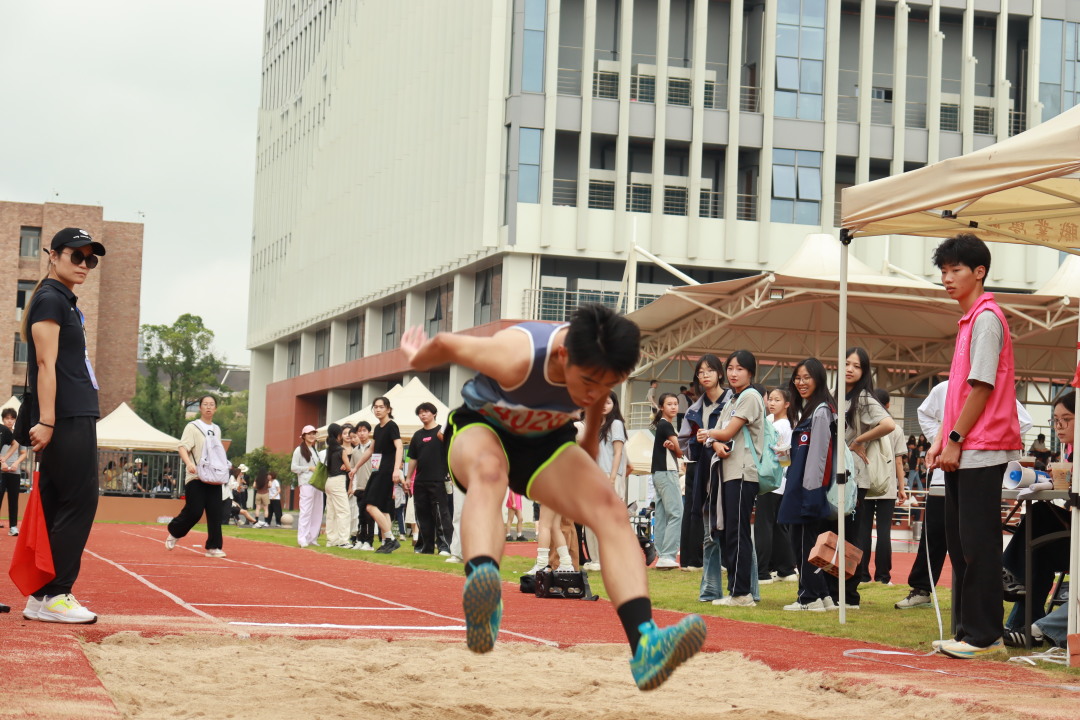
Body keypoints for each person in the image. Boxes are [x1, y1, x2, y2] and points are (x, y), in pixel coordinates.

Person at [400, 304, 705, 691]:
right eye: (588, 381)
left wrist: (589, 466)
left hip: (545, 443)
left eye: (607, 384)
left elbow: (592, 419)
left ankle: (646, 645)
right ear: (562, 355)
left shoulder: (597, 365)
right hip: (483, 428)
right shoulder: (516, 355)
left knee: (610, 510)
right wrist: (416, 357)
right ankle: (483, 588)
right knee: (490, 473)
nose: (594, 392)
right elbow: (445, 343)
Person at [926, 233, 1022, 659]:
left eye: (956, 270)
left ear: (979, 272)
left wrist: (954, 439)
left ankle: (985, 636)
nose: (947, 278)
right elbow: (959, 394)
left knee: (978, 544)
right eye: (943, 271)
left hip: (982, 448)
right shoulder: (968, 321)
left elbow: (982, 387)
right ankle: (968, 632)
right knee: (961, 544)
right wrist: (940, 440)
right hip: (965, 448)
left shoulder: (986, 318)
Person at [16, 228, 106, 623]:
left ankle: (40, 596)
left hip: (70, 412)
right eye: (76, 255)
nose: (84, 264)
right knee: (80, 501)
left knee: (56, 503)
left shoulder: (62, 301)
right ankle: (57, 594)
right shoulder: (51, 299)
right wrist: (48, 421)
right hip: (66, 416)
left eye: (91, 259)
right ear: (53, 256)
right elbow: (44, 364)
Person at [893, 380, 1032, 611]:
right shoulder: (944, 388)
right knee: (933, 535)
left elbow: (1024, 421)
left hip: (978, 472)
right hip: (944, 472)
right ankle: (921, 588)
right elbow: (925, 414)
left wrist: (988, 444)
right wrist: (943, 442)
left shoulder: (995, 388)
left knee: (976, 539)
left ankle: (982, 592)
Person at [700, 350, 765, 607]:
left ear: (751, 372)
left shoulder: (750, 396)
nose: (733, 373)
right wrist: (713, 439)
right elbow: (720, 435)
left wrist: (709, 434)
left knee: (738, 532)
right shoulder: (733, 399)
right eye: (730, 368)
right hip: (729, 472)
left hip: (743, 472)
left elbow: (726, 432)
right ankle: (737, 591)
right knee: (730, 532)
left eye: (739, 369)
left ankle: (742, 593)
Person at [833, 346, 895, 608]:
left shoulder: (864, 398)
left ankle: (850, 595)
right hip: (835, 474)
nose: (849, 369)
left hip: (855, 476)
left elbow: (888, 424)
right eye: (846, 363)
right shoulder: (836, 395)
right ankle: (834, 590)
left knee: (852, 536)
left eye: (856, 366)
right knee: (835, 533)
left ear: (864, 371)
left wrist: (858, 440)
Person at [778, 358, 838, 612]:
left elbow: (820, 455)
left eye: (806, 377)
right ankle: (822, 595)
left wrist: (811, 492)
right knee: (809, 542)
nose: (801, 383)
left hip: (808, 488)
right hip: (804, 485)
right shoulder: (813, 410)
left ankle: (808, 598)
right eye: (797, 378)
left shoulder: (821, 411)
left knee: (803, 543)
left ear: (818, 379)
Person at [677, 354, 731, 599]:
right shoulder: (694, 409)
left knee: (735, 532)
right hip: (704, 474)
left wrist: (712, 437)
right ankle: (710, 590)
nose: (705, 375)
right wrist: (698, 442)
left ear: (720, 373)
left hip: (729, 471)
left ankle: (745, 589)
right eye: (700, 372)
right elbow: (685, 446)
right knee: (709, 531)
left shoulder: (733, 402)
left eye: (709, 370)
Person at [854, 388, 908, 585]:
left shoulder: (864, 427)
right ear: (887, 405)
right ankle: (883, 576)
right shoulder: (895, 429)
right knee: (884, 533)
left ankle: (862, 575)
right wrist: (901, 488)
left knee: (863, 532)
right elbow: (899, 461)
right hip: (887, 485)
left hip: (866, 483)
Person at [166, 395, 228, 558]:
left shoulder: (217, 429)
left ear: (215, 409)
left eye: (212, 404)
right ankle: (175, 531)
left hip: (214, 476)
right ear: (200, 408)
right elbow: (182, 447)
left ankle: (213, 546)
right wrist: (189, 463)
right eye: (205, 404)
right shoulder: (192, 427)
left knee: (215, 513)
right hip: (196, 476)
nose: (208, 407)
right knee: (194, 511)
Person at [351, 397, 405, 553]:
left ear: (388, 409)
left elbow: (399, 447)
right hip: (378, 470)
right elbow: (370, 450)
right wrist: (356, 468)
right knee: (384, 509)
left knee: (369, 505)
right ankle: (387, 541)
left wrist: (396, 469)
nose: (378, 409)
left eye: (381, 407)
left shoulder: (391, 426)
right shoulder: (378, 428)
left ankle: (391, 539)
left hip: (386, 470)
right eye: (375, 407)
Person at [755, 387, 797, 585]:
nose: (771, 403)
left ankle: (762, 572)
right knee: (779, 527)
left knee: (764, 526)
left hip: (771, 481)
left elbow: (783, 457)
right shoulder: (775, 422)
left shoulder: (781, 426)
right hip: (779, 482)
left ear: (787, 404)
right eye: (770, 399)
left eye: (777, 400)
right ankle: (786, 569)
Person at [582, 391, 628, 571]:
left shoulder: (616, 424)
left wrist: (612, 477)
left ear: (614, 404)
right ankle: (596, 559)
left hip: (609, 475)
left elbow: (618, 452)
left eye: (607, 402)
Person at [409, 402, 455, 554]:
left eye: (426, 411)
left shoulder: (441, 432)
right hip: (420, 481)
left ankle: (445, 546)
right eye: (420, 412)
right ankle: (425, 547)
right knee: (422, 514)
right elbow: (413, 458)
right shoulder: (417, 435)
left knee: (441, 515)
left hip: (439, 480)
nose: (423, 414)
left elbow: (452, 451)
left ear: (434, 413)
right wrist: (408, 478)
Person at [649, 393, 682, 570]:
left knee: (662, 515)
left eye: (676, 403)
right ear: (662, 407)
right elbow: (681, 451)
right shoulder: (666, 425)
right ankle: (668, 555)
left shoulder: (662, 425)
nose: (674, 407)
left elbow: (677, 450)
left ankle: (662, 554)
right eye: (669, 404)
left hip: (658, 473)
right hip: (667, 472)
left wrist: (674, 447)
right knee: (676, 513)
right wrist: (676, 447)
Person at [292, 425, 324, 548]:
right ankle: (302, 538)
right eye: (309, 434)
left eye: (313, 433)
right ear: (304, 436)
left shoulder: (315, 450)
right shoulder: (299, 450)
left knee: (317, 511)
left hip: (317, 483)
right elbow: (294, 468)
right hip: (306, 483)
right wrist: (308, 468)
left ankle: (312, 538)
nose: (311, 436)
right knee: (306, 511)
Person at [322, 423, 352, 547]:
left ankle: (331, 540)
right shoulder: (341, 450)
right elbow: (349, 467)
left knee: (331, 513)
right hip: (338, 481)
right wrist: (346, 465)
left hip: (329, 482)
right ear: (338, 435)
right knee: (344, 511)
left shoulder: (329, 450)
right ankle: (343, 540)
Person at [348, 421, 375, 550]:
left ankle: (369, 542)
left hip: (372, 487)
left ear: (369, 432)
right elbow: (352, 470)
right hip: (359, 487)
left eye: (364, 430)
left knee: (370, 515)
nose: (362, 433)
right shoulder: (355, 451)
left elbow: (377, 468)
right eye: (359, 431)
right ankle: (360, 539)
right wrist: (351, 487)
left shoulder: (374, 448)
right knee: (361, 515)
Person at [0, 407, 26, 535]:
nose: (9, 421)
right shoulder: (1, 433)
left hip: (14, 472)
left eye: (12, 418)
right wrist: (2, 462)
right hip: (1, 471)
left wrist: (16, 463)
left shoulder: (19, 435)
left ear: (15, 420)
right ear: (2, 419)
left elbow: (24, 453)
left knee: (13, 500)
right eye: (7, 418)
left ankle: (13, 527)